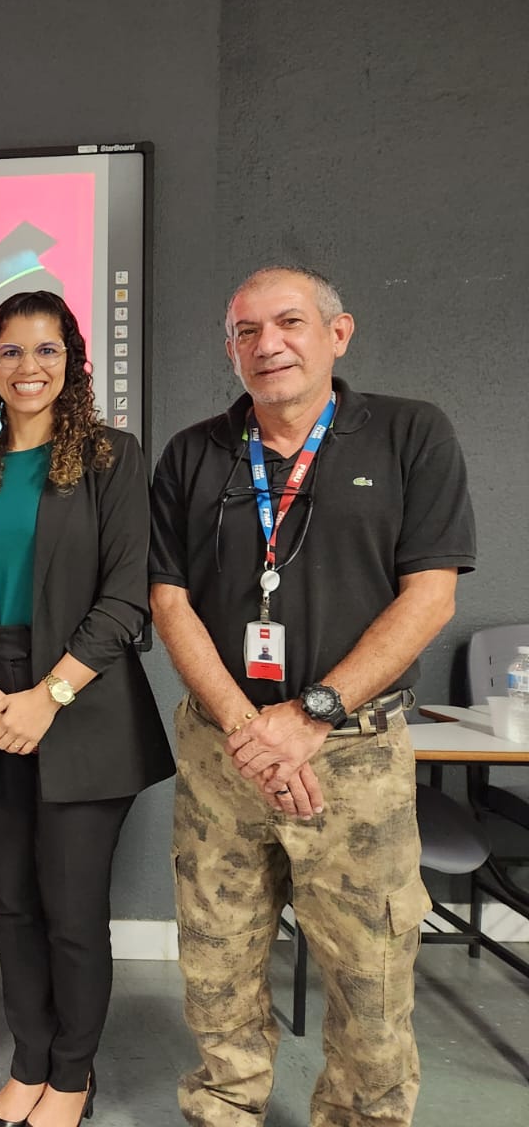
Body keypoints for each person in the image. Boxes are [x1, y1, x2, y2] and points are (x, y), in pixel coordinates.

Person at [148, 266, 475, 1126]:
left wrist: (310, 717)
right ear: (231, 350)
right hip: (224, 754)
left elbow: (430, 595)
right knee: (217, 967)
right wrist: (249, 730)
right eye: (246, 332)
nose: (268, 345)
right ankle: (223, 1107)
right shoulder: (194, 452)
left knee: (371, 978)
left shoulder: (410, 435)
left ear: (339, 333)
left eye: (288, 323)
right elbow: (169, 601)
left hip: (353, 756)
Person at [0, 290, 174, 1127]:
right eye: (9, 352)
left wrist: (48, 696)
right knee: (13, 904)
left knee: (72, 912)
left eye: (45, 350)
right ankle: (28, 1060)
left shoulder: (112, 458)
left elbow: (124, 600)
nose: (27, 367)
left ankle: (72, 1075)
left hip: (81, 704)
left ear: (71, 362)